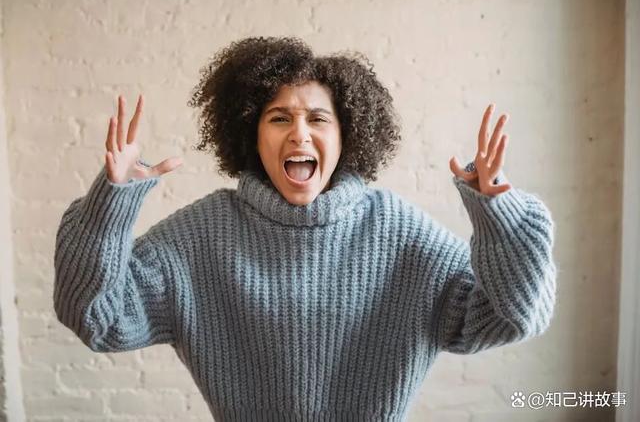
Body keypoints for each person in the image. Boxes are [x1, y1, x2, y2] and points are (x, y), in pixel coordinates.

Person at [53, 36, 556, 421]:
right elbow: (98, 319)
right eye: (278, 118)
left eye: (319, 118)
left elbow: (514, 317)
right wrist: (108, 206)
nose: (299, 132)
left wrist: (500, 213)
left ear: (347, 136)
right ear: (252, 133)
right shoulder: (201, 236)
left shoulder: (399, 233)